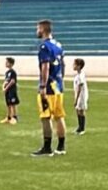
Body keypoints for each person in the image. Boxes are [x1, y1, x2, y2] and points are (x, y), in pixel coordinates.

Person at [33, 19, 67, 157]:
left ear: (43, 29)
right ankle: (61, 146)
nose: (37, 31)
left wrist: (42, 86)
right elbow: (63, 64)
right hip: (58, 86)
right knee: (59, 116)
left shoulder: (44, 47)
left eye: (38, 28)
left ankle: (47, 147)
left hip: (49, 87)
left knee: (45, 117)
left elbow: (45, 66)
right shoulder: (58, 45)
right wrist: (61, 80)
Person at [72, 58, 89, 135]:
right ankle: (79, 127)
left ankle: (82, 128)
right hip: (78, 95)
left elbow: (80, 87)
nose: (73, 66)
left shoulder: (81, 76)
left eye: (75, 64)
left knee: (81, 111)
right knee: (78, 110)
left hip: (81, 95)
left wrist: (76, 98)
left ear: (79, 66)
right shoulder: (78, 75)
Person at [0, 57, 19, 124]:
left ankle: (15, 117)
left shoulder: (13, 72)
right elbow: (6, 81)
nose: (5, 63)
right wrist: (3, 87)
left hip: (12, 90)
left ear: (11, 64)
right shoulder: (7, 72)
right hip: (7, 90)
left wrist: (6, 88)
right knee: (8, 103)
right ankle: (8, 117)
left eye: (7, 62)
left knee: (13, 103)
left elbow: (12, 81)